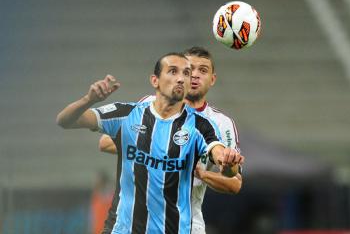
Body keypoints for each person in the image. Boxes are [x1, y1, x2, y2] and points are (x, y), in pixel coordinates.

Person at [56, 52, 243, 234]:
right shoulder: (134, 112)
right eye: (176, 71)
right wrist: (89, 100)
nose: (189, 76)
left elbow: (230, 174)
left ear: (212, 79)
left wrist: (212, 169)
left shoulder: (208, 125)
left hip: (184, 222)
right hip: (124, 225)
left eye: (197, 71)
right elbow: (91, 135)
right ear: (155, 80)